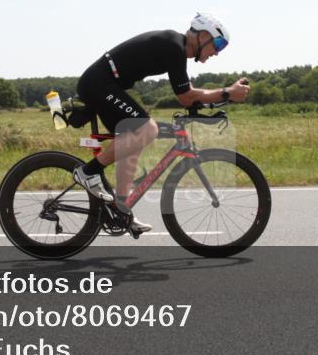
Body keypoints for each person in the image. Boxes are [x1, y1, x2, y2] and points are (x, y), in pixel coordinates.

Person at [72, 13, 250, 235]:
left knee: (133, 141)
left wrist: (221, 98)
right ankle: (89, 171)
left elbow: (189, 93)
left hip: (104, 84)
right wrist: (227, 92)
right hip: (98, 84)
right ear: (203, 35)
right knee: (148, 129)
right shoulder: (174, 47)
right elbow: (186, 96)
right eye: (218, 44)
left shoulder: (175, 49)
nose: (217, 52)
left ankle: (121, 209)